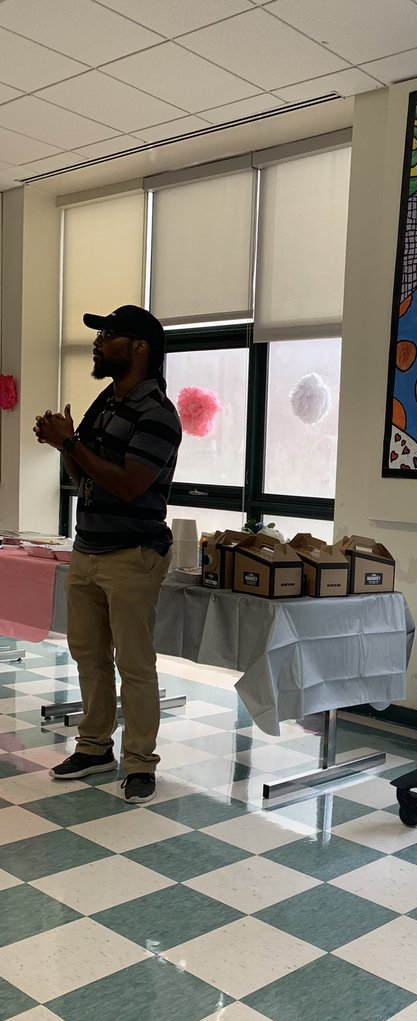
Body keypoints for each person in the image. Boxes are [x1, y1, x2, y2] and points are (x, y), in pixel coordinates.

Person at [34, 305, 182, 804]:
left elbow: (129, 485)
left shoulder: (158, 413)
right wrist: (66, 449)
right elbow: (87, 481)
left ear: (139, 348)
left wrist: (72, 441)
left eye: (108, 335)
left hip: (133, 554)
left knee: (134, 664)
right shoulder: (106, 403)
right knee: (89, 655)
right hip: (88, 548)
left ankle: (140, 762)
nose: (98, 344)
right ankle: (95, 746)